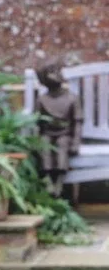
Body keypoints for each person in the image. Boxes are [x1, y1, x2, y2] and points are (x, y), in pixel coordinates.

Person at [35, 61, 82, 197]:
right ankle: (48, 180)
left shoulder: (72, 98)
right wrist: (34, 140)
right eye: (50, 73)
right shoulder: (42, 99)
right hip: (47, 133)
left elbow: (78, 122)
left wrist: (76, 142)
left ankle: (59, 183)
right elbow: (36, 122)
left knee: (62, 145)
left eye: (56, 71)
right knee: (44, 145)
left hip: (65, 133)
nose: (55, 75)